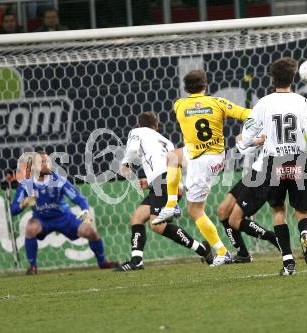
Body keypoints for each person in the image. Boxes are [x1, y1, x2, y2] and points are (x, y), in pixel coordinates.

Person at [152, 69, 250, 267]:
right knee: (172, 157)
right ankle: (171, 204)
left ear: (185, 87)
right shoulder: (218, 103)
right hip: (213, 156)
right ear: (205, 85)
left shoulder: (178, 105)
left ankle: (222, 252)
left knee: (196, 210)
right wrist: (245, 133)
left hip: (201, 161)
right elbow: (247, 114)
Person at [238, 58, 307, 275]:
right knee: (303, 211)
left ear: (272, 79)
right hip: (298, 160)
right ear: (294, 78)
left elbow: (245, 136)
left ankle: (288, 262)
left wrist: (254, 141)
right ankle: (305, 235)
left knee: (278, 211)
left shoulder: (263, 103)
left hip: (274, 162)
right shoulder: (301, 102)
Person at [115, 112, 213, 271]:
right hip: (167, 182)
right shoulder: (166, 141)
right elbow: (171, 163)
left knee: (157, 225)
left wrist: (125, 163)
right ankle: (136, 260)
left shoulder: (137, 132)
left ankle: (202, 249)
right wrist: (151, 182)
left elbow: (132, 150)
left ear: (139, 125)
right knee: (137, 218)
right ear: (156, 126)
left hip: (164, 182)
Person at [10, 151, 118, 275]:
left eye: (48, 162)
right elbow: (12, 210)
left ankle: (103, 262)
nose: (46, 165)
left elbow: (79, 198)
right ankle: (32, 267)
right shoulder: (26, 185)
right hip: (42, 220)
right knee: (30, 228)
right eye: (42, 162)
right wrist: (22, 204)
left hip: (63, 218)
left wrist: (85, 211)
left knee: (90, 232)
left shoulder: (58, 180)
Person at [217, 135, 280, 263]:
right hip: (255, 171)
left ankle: (273, 237)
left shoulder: (272, 123)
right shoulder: (259, 118)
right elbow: (244, 147)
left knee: (234, 220)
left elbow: (250, 143)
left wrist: (248, 140)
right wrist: (246, 140)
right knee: (222, 211)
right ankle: (243, 254)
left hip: (266, 175)